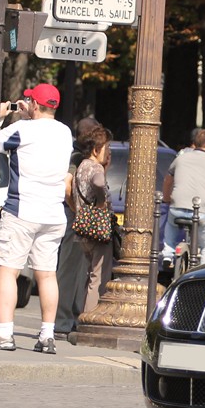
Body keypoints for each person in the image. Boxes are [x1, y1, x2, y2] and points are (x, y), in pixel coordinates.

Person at [0, 83, 73, 354]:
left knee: (8, 270)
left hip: (21, 210)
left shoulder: (22, 129)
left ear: (33, 104)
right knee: (46, 275)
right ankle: (47, 334)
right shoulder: (65, 132)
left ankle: (5, 332)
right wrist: (27, 115)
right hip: (53, 214)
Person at [161, 128, 205, 265]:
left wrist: (167, 198)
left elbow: (167, 180)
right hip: (200, 212)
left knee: (171, 226)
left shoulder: (181, 158)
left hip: (177, 207)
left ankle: (168, 253)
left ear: (194, 143)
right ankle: (204, 273)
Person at [72, 123, 114, 319]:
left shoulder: (81, 166)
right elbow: (98, 182)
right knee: (98, 276)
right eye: (106, 148)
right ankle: (89, 318)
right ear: (97, 149)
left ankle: (83, 315)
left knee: (89, 275)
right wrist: (101, 201)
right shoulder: (95, 167)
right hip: (97, 228)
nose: (108, 152)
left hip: (83, 227)